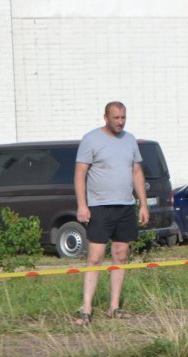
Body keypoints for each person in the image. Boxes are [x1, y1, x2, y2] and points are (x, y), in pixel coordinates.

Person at [73, 101, 149, 326]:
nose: (120, 122)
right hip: (99, 207)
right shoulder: (91, 139)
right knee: (95, 257)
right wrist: (82, 205)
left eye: (123, 117)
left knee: (121, 255)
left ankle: (114, 307)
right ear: (105, 117)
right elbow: (80, 174)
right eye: (116, 117)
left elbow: (136, 172)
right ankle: (86, 309)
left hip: (125, 206)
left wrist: (143, 204)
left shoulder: (130, 140)